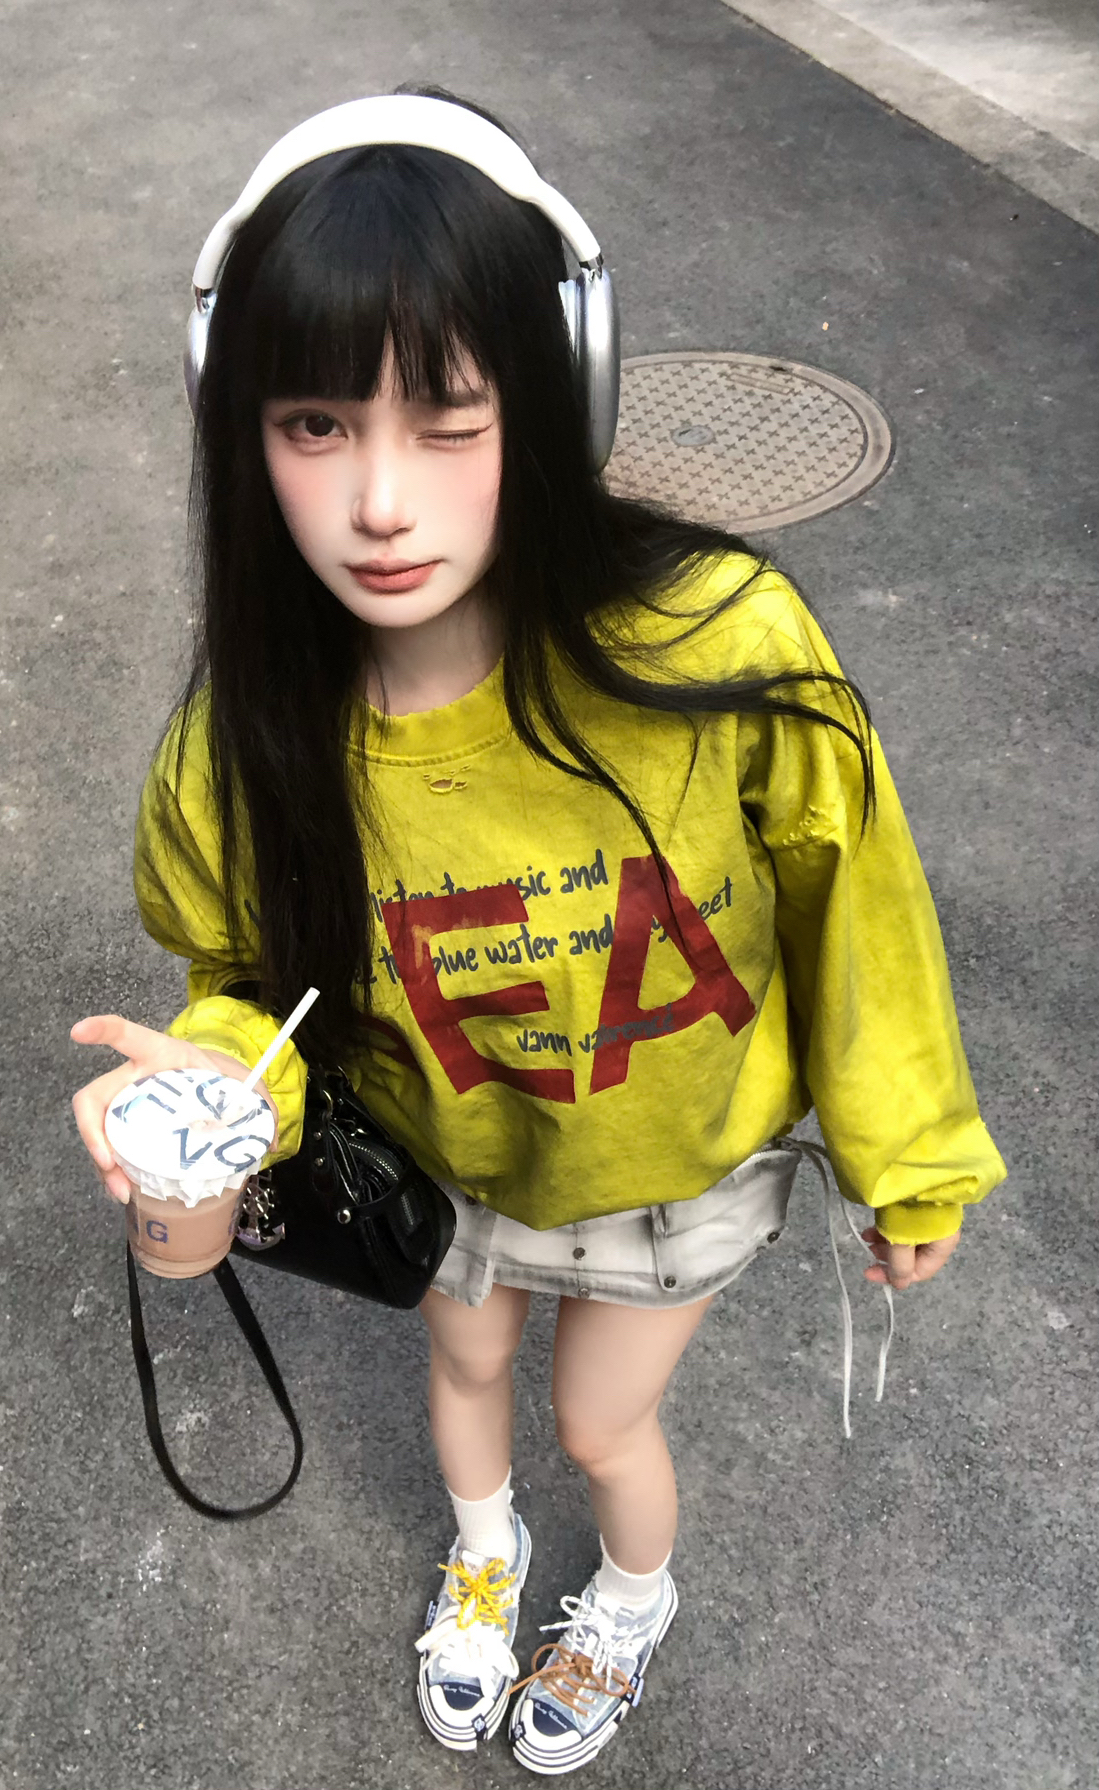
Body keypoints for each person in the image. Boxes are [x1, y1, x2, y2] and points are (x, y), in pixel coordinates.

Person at [70, 88, 1006, 1776]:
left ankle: (629, 1597)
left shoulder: (718, 644)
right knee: (466, 1370)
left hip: (675, 1171)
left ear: (559, 391)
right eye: (311, 423)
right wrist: (200, 1106)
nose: (379, 500)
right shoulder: (246, 745)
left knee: (599, 1418)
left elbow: (856, 905)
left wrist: (910, 1158)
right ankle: (486, 1554)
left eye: (448, 418)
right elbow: (246, 992)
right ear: (233, 422)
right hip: (450, 1163)